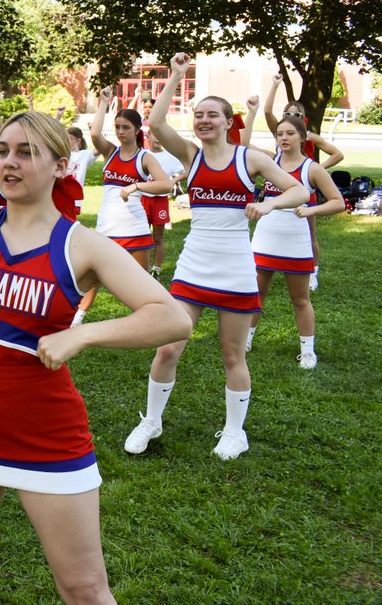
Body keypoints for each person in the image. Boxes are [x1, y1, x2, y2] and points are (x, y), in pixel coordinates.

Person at [0, 0, 192, 605]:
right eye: (4, 151)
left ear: (61, 165)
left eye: (25, 153)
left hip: (47, 435)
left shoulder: (81, 244)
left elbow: (170, 316)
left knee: (84, 587)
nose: (8, 163)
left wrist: (83, 333)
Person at [124, 53, 309, 461]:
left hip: (236, 267)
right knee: (168, 347)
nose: (204, 119)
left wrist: (269, 206)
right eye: (199, 114)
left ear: (229, 121)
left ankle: (233, 432)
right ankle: (152, 420)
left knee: (232, 354)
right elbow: (154, 125)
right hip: (193, 265)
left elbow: (299, 191)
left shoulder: (251, 158)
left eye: (213, 114)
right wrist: (176, 75)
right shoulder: (191, 156)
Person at [247, 116, 344, 368]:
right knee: (255, 292)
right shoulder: (270, 161)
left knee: (300, 298)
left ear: (303, 137)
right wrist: (253, 111)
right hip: (266, 234)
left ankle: (308, 350)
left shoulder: (312, 168)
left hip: (295, 237)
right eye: (280, 133)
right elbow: (243, 144)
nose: (284, 138)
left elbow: (338, 202)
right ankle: (246, 339)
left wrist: (312, 211)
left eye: (290, 133)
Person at [73, 87, 173, 325]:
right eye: (117, 127)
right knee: (91, 277)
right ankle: (76, 318)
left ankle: (149, 320)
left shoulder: (144, 157)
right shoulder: (111, 152)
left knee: (141, 281)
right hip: (106, 227)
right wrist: (103, 102)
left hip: (135, 229)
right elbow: (95, 133)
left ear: (138, 129)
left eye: (125, 127)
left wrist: (137, 186)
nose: (120, 132)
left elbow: (166, 185)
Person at [260, 72, 344, 290]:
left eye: (296, 114)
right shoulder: (280, 133)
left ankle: (312, 270)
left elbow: (337, 154)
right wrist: (275, 84)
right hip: (282, 185)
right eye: (287, 113)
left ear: (303, 117)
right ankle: (273, 262)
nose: (291, 116)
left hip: (305, 185)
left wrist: (317, 172)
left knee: (309, 232)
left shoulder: (310, 136)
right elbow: (267, 111)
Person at [143, 129, 186, 278]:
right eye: (155, 135)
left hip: (159, 201)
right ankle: (144, 268)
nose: (158, 139)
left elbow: (187, 169)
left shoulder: (170, 157)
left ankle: (157, 269)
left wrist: (173, 181)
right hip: (142, 199)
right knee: (143, 235)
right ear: (148, 137)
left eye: (161, 135)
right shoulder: (142, 154)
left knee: (158, 237)